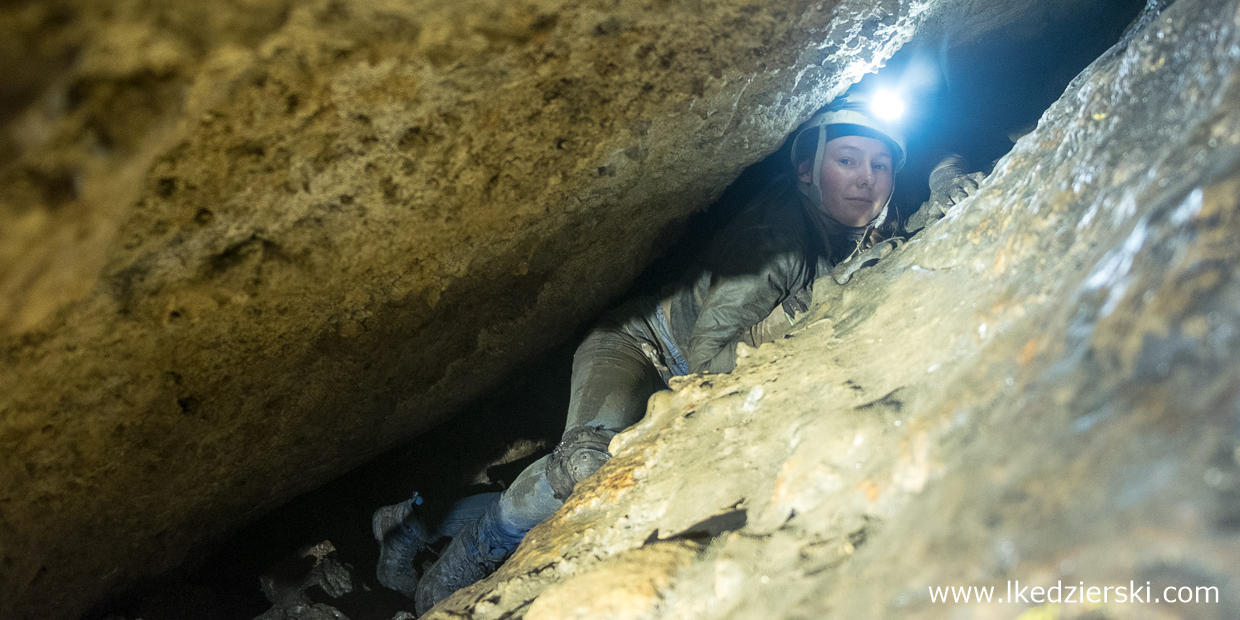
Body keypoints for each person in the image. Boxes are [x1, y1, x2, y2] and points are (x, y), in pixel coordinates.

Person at [371, 91, 980, 614]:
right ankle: (461, 561)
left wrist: (944, 175)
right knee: (586, 463)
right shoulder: (775, 243)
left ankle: (418, 518)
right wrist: (802, 311)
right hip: (642, 348)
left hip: (683, 363)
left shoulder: (866, 213)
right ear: (805, 170)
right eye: (847, 161)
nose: (867, 178)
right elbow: (706, 361)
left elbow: (936, 148)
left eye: (881, 165)